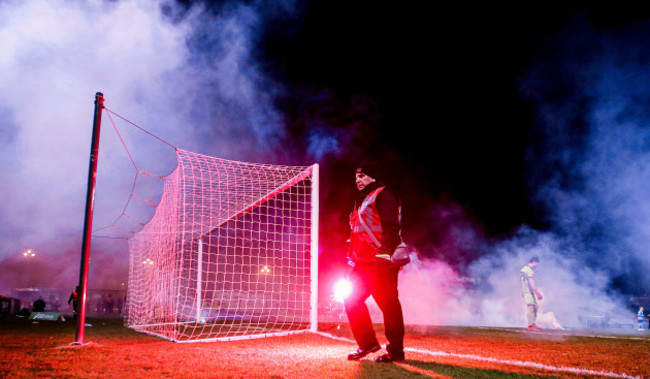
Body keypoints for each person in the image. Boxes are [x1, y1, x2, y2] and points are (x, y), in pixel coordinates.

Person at [344, 161, 405, 362]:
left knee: (389, 306)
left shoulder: (384, 194)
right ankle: (368, 344)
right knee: (352, 300)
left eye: (362, 176)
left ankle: (396, 352)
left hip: (380, 262)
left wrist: (384, 252)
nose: (358, 181)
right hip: (361, 263)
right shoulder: (363, 200)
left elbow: (391, 227)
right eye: (356, 178)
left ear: (373, 177)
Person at [520, 257, 543, 331]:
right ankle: (530, 325)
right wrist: (536, 292)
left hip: (526, 290)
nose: (537, 266)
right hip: (528, 291)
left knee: (535, 306)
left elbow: (522, 281)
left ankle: (533, 324)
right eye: (537, 264)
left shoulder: (523, 269)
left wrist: (522, 291)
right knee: (531, 307)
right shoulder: (529, 270)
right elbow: (530, 281)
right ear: (534, 262)